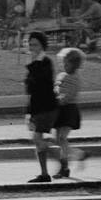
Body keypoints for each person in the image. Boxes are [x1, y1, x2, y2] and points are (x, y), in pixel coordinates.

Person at [24, 31, 59, 183]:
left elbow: (41, 83)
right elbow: (30, 88)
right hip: (37, 106)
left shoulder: (45, 61)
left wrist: (32, 66)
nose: (32, 47)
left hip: (46, 106)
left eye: (35, 44)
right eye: (30, 44)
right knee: (37, 139)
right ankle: (45, 172)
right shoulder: (34, 62)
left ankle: (65, 158)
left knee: (38, 139)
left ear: (42, 45)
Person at [52, 47, 86, 179]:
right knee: (58, 139)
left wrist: (57, 100)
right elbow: (56, 89)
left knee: (62, 138)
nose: (64, 65)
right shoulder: (61, 75)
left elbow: (68, 96)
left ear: (74, 64)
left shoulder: (74, 78)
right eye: (63, 62)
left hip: (68, 110)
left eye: (67, 63)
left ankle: (64, 167)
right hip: (60, 110)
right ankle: (78, 154)